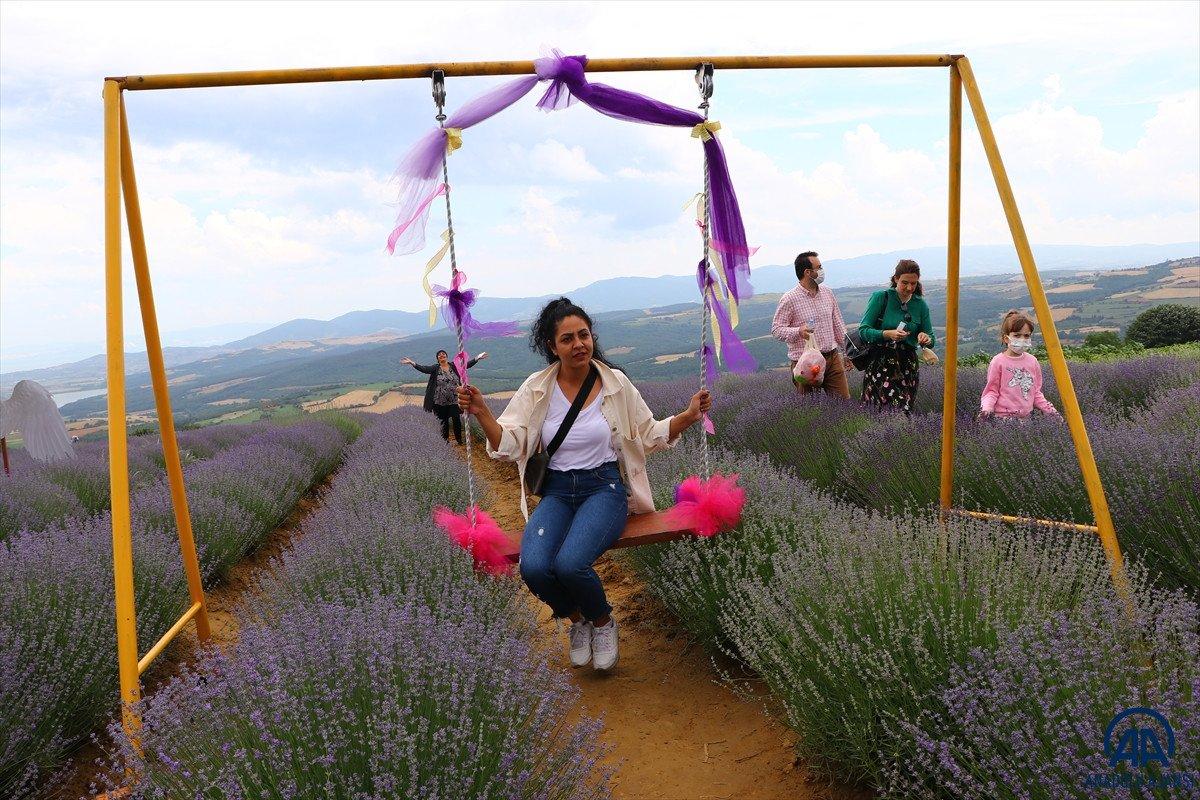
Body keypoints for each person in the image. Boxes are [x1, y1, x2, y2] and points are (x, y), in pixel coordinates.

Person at [457, 297, 711, 672]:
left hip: (603, 488)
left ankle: (604, 622)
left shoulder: (615, 384)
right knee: (536, 568)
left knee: (572, 563)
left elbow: (647, 433)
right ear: (551, 346)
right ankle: (578, 621)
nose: (578, 344)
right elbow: (508, 443)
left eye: (584, 335)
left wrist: (689, 417)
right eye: (567, 339)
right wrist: (481, 413)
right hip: (558, 491)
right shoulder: (537, 389)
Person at [858, 259, 936, 414]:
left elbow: (931, 337)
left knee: (905, 410)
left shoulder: (920, 305)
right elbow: (863, 330)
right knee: (881, 410)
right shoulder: (881, 298)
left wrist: (925, 338)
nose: (909, 287)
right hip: (881, 363)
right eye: (905, 283)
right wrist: (887, 334)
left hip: (907, 364)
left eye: (913, 283)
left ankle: (897, 437)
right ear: (895, 279)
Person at [771, 251, 851, 398]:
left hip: (832, 358)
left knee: (844, 404)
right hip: (805, 362)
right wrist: (798, 331)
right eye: (819, 267)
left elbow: (838, 324)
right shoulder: (789, 299)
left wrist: (847, 353)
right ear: (808, 272)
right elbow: (776, 330)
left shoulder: (828, 293)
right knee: (810, 410)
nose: (822, 271)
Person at [979, 311, 1059, 420]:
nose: (1022, 339)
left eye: (1026, 336)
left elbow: (1035, 392)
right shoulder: (998, 361)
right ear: (1006, 338)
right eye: (1017, 335)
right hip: (1003, 420)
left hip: (1027, 420)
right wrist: (986, 410)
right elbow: (991, 391)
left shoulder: (1032, 361)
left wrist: (1051, 411)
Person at [401, 349, 488, 445]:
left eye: (443, 354)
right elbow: (424, 369)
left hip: (455, 399)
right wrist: (412, 363)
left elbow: (465, 366)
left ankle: (459, 441)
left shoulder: (454, 366)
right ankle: (445, 441)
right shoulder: (435, 368)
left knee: (456, 419)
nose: (441, 355)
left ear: (446, 356)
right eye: (439, 355)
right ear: (437, 358)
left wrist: (477, 358)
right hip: (440, 401)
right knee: (444, 421)